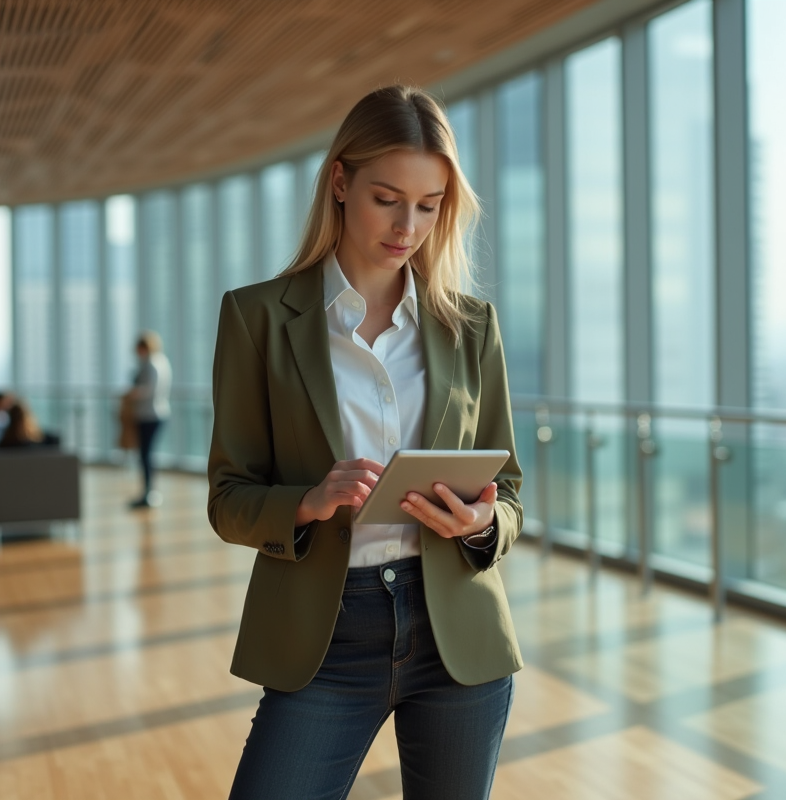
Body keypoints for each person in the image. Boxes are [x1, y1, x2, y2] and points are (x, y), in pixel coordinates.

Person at [207, 85, 523, 800]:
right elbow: (228, 500)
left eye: (429, 204)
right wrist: (309, 501)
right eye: (387, 197)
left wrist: (482, 524)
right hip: (327, 636)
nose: (407, 224)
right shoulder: (258, 318)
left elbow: (509, 489)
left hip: (457, 638)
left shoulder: (471, 326)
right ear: (341, 182)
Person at [129, 331, 172, 509]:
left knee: (145, 455)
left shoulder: (152, 365)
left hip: (150, 415)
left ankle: (149, 492)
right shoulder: (161, 362)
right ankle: (148, 491)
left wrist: (132, 394)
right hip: (155, 414)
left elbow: (148, 390)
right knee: (146, 455)